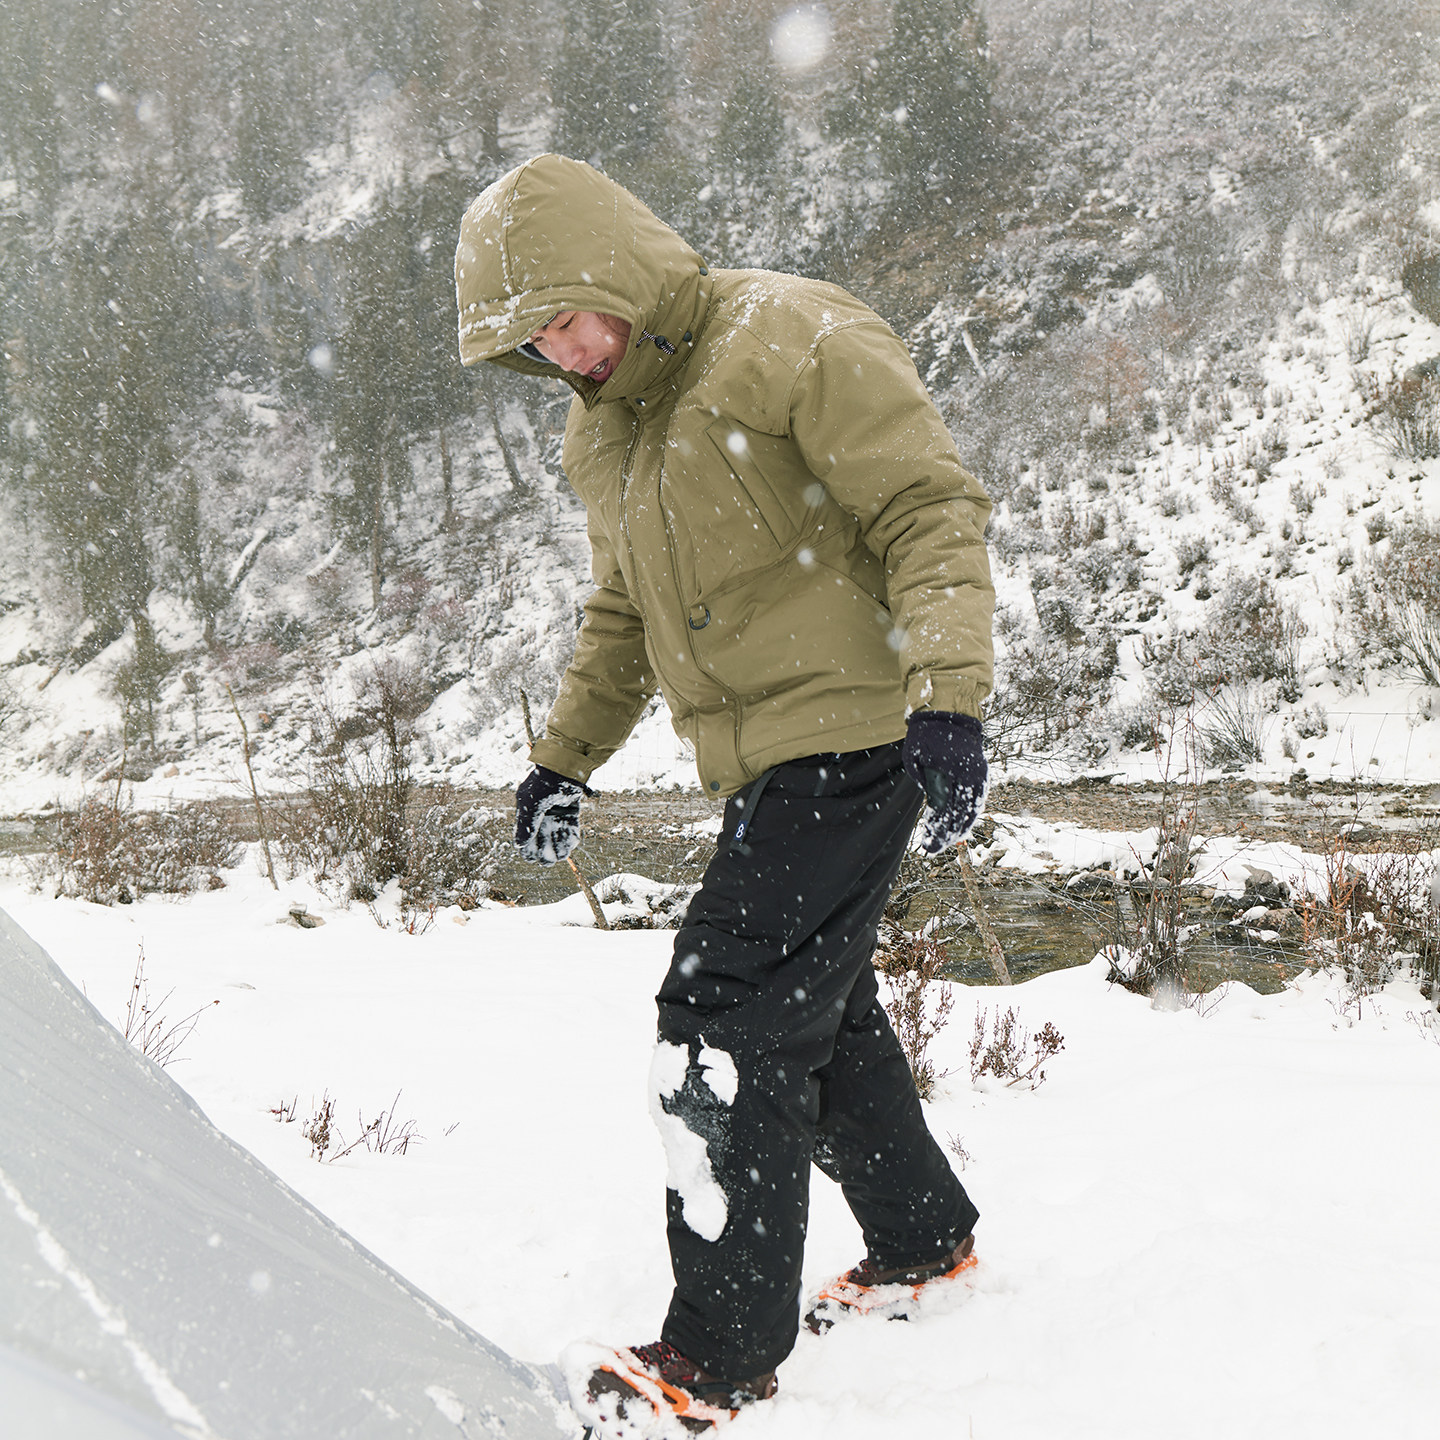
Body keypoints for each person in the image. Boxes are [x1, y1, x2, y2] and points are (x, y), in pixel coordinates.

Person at [454, 154, 994, 1435]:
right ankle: (923, 1243)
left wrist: (949, 693)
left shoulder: (788, 334)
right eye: (539, 337)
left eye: (579, 311)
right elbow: (623, 615)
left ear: (625, 267)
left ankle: (717, 1356)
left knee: (721, 1019)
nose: (571, 349)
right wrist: (562, 758)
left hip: (860, 736)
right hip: (765, 759)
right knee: (822, 1006)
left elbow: (928, 507)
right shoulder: (606, 434)